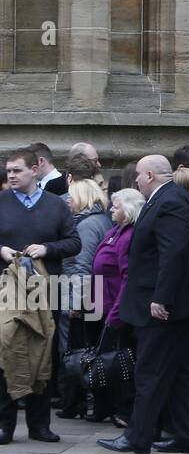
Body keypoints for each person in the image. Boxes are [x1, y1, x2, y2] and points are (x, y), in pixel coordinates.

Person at [98, 154, 189, 454]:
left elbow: (172, 252)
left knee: (150, 370)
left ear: (150, 175)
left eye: (137, 175)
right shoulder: (172, 198)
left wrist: (160, 298)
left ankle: (137, 437)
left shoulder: (170, 201)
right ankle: (187, 436)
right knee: (180, 372)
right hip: (179, 304)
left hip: (167, 305)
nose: (135, 180)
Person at [0, 148, 80, 444]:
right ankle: (5, 424)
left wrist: (47, 249)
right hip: (7, 290)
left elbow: (74, 243)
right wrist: (1, 251)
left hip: (47, 291)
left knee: (44, 354)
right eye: (9, 171)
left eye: (17, 170)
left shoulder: (56, 206)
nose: (11, 175)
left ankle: (39, 425)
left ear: (35, 170)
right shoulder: (1, 202)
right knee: (6, 348)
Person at [57, 178, 113, 418]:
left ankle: (88, 403)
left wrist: (75, 302)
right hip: (96, 294)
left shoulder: (86, 225)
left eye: (71, 197)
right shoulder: (100, 219)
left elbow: (82, 265)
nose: (66, 202)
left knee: (82, 351)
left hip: (87, 296)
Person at [91, 188, 145, 427]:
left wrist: (115, 315)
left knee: (122, 362)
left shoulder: (128, 236)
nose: (111, 209)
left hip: (118, 312)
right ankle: (110, 407)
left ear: (129, 209)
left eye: (116, 206)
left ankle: (125, 410)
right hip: (103, 308)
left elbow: (127, 278)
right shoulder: (116, 231)